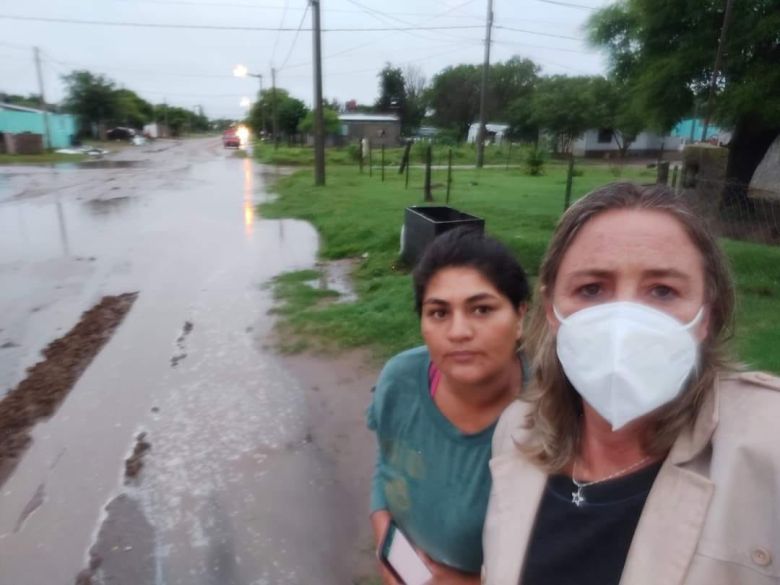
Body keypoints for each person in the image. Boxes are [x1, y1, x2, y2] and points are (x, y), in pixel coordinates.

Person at [482, 182, 780, 585]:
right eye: (591, 289)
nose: (623, 323)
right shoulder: (517, 430)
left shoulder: (767, 444)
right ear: (552, 310)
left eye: (662, 291)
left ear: (705, 316)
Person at [367, 227, 531, 583]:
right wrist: (385, 540)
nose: (458, 332)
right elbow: (386, 463)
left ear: (520, 317)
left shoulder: (554, 418)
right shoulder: (399, 381)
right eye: (439, 313)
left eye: (482, 309)